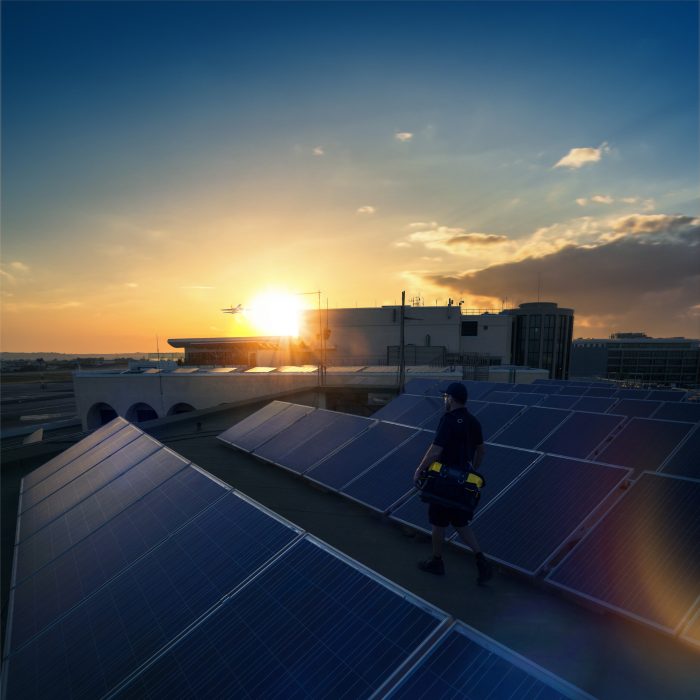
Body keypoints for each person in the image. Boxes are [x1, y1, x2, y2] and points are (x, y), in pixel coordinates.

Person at [413, 381, 493, 584]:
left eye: (445, 397)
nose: (444, 400)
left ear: (451, 398)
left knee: (437, 522)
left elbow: (435, 450)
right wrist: (472, 468)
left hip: (443, 481)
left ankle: (437, 561)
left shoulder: (447, 420)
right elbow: (481, 450)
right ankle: (481, 561)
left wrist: (419, 469)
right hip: (463, 482)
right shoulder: (474, 422)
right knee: (460, 521)